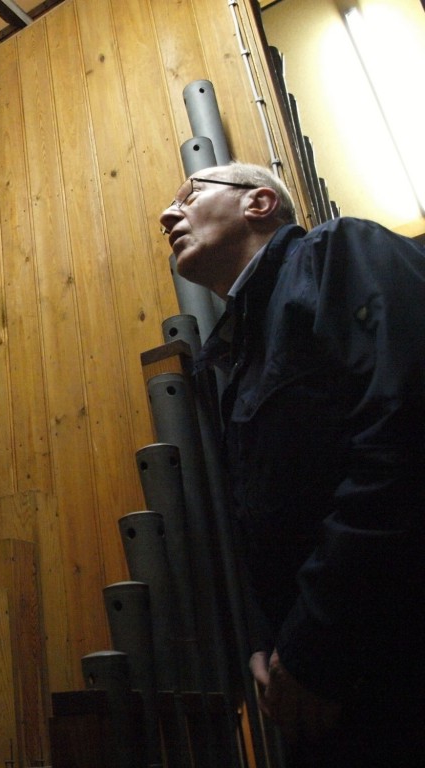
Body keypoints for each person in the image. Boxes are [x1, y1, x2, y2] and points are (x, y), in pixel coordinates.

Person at [158, 163, 425, 766]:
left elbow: (406, 425)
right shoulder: (236, 359)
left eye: (191, 193)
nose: (168, 214)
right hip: (320, 689)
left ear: (258, 202)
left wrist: (313, 645)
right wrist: (273, 648)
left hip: (394, 658)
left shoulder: (336, 252)